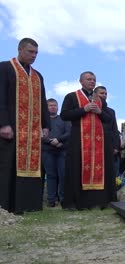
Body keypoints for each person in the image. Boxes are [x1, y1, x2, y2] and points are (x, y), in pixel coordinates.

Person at [0, 38, 50, 213]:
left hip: (32, 132)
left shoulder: (37, 76)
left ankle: (28, 205)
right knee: (8, 166)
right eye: (30, 51)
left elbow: (42, 102)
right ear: (20, 49)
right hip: (11, 129)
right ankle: (6, 206)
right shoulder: (5, 68)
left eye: (36, 53)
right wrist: (3, 124)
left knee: (33, 167)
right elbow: (1, 98)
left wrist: (45, 125)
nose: (34, 55)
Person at [60, 71, 116, 210]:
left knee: (99, 170)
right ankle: (75, 202)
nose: (92, 81)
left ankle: (98, 201)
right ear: (81, 81)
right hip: (78, 139)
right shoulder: (72, 96)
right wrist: (83, 109)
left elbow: (109, 119)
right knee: (77, 168)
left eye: (94, 79)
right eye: (89, 79)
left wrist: (99, 112)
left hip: (98, 141)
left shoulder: (100, 100)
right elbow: (64, 115)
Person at [41, 98, 71, 207]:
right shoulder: (42, 121)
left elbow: (69, 132)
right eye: (50, 105)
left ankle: (63, 199)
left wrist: (60, 141)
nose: (53, 107)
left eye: (55, 105)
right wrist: (51, 141)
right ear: (46, 107)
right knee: (51, 175)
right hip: (47, 151)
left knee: (63, 175)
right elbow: (40, 134)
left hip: (62, 151)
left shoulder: (64, 119)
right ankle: (51, 200)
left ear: (57, 107)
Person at [94, 86, 121, 178]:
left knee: (110, 174)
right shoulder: (90, 108)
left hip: (108, 145)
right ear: (95, 95)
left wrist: (116, 146)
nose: (104, 95)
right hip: (94, 145)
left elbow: (114, 129)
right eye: (101, 93)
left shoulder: (111, 111)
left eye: (105, 93)